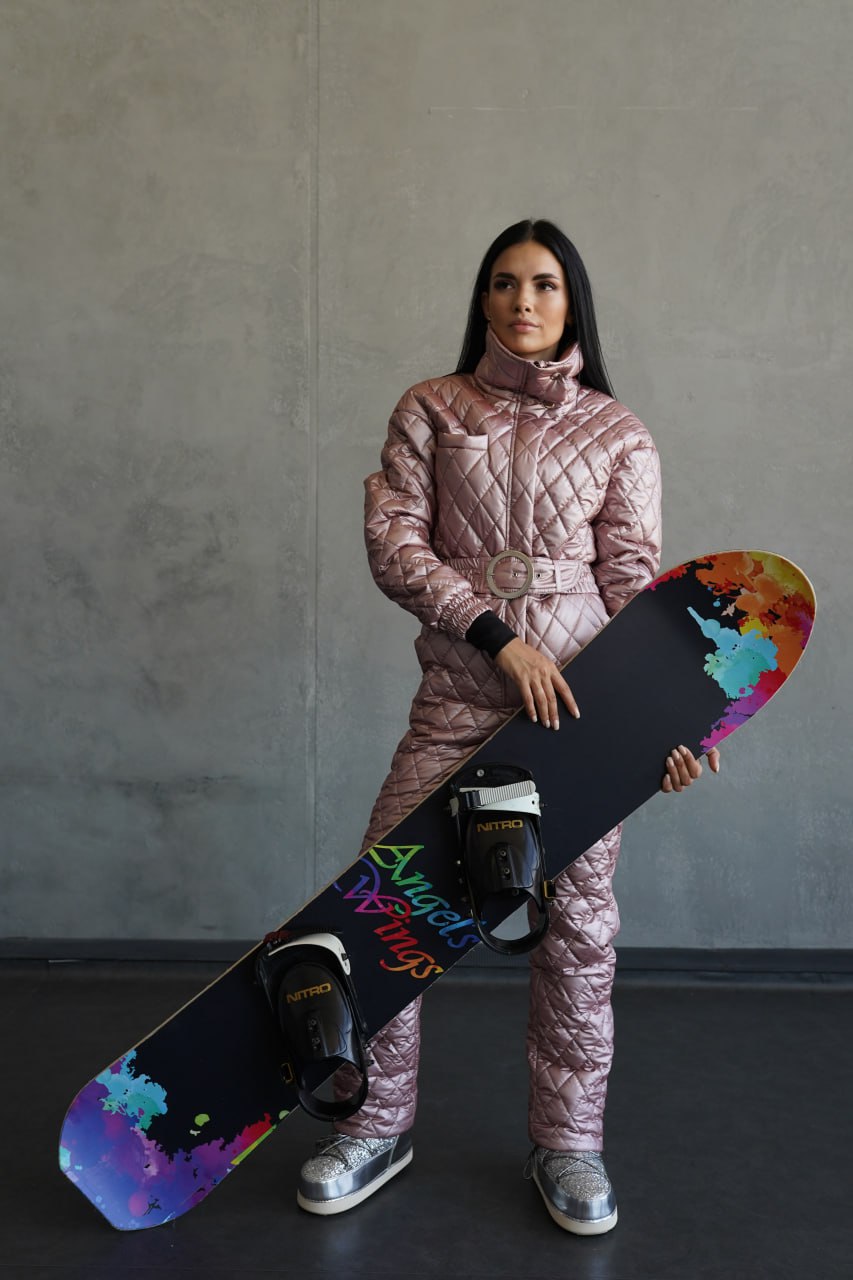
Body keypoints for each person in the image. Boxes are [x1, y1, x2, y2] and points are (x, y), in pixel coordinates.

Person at [297, 219, 719, 1234]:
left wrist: (664, 726)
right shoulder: (429, 410)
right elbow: (395, 544)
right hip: (458, 698)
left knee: (577, 934)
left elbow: (632, 590)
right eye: (503, 283)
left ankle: (569, 1143)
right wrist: (497, 636)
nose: (522, 301)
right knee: (387, 909)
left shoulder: (617, 432)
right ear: (481, 301)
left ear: (571, 302)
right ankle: (374, 1124)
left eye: (543, 284)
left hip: (579, 718)